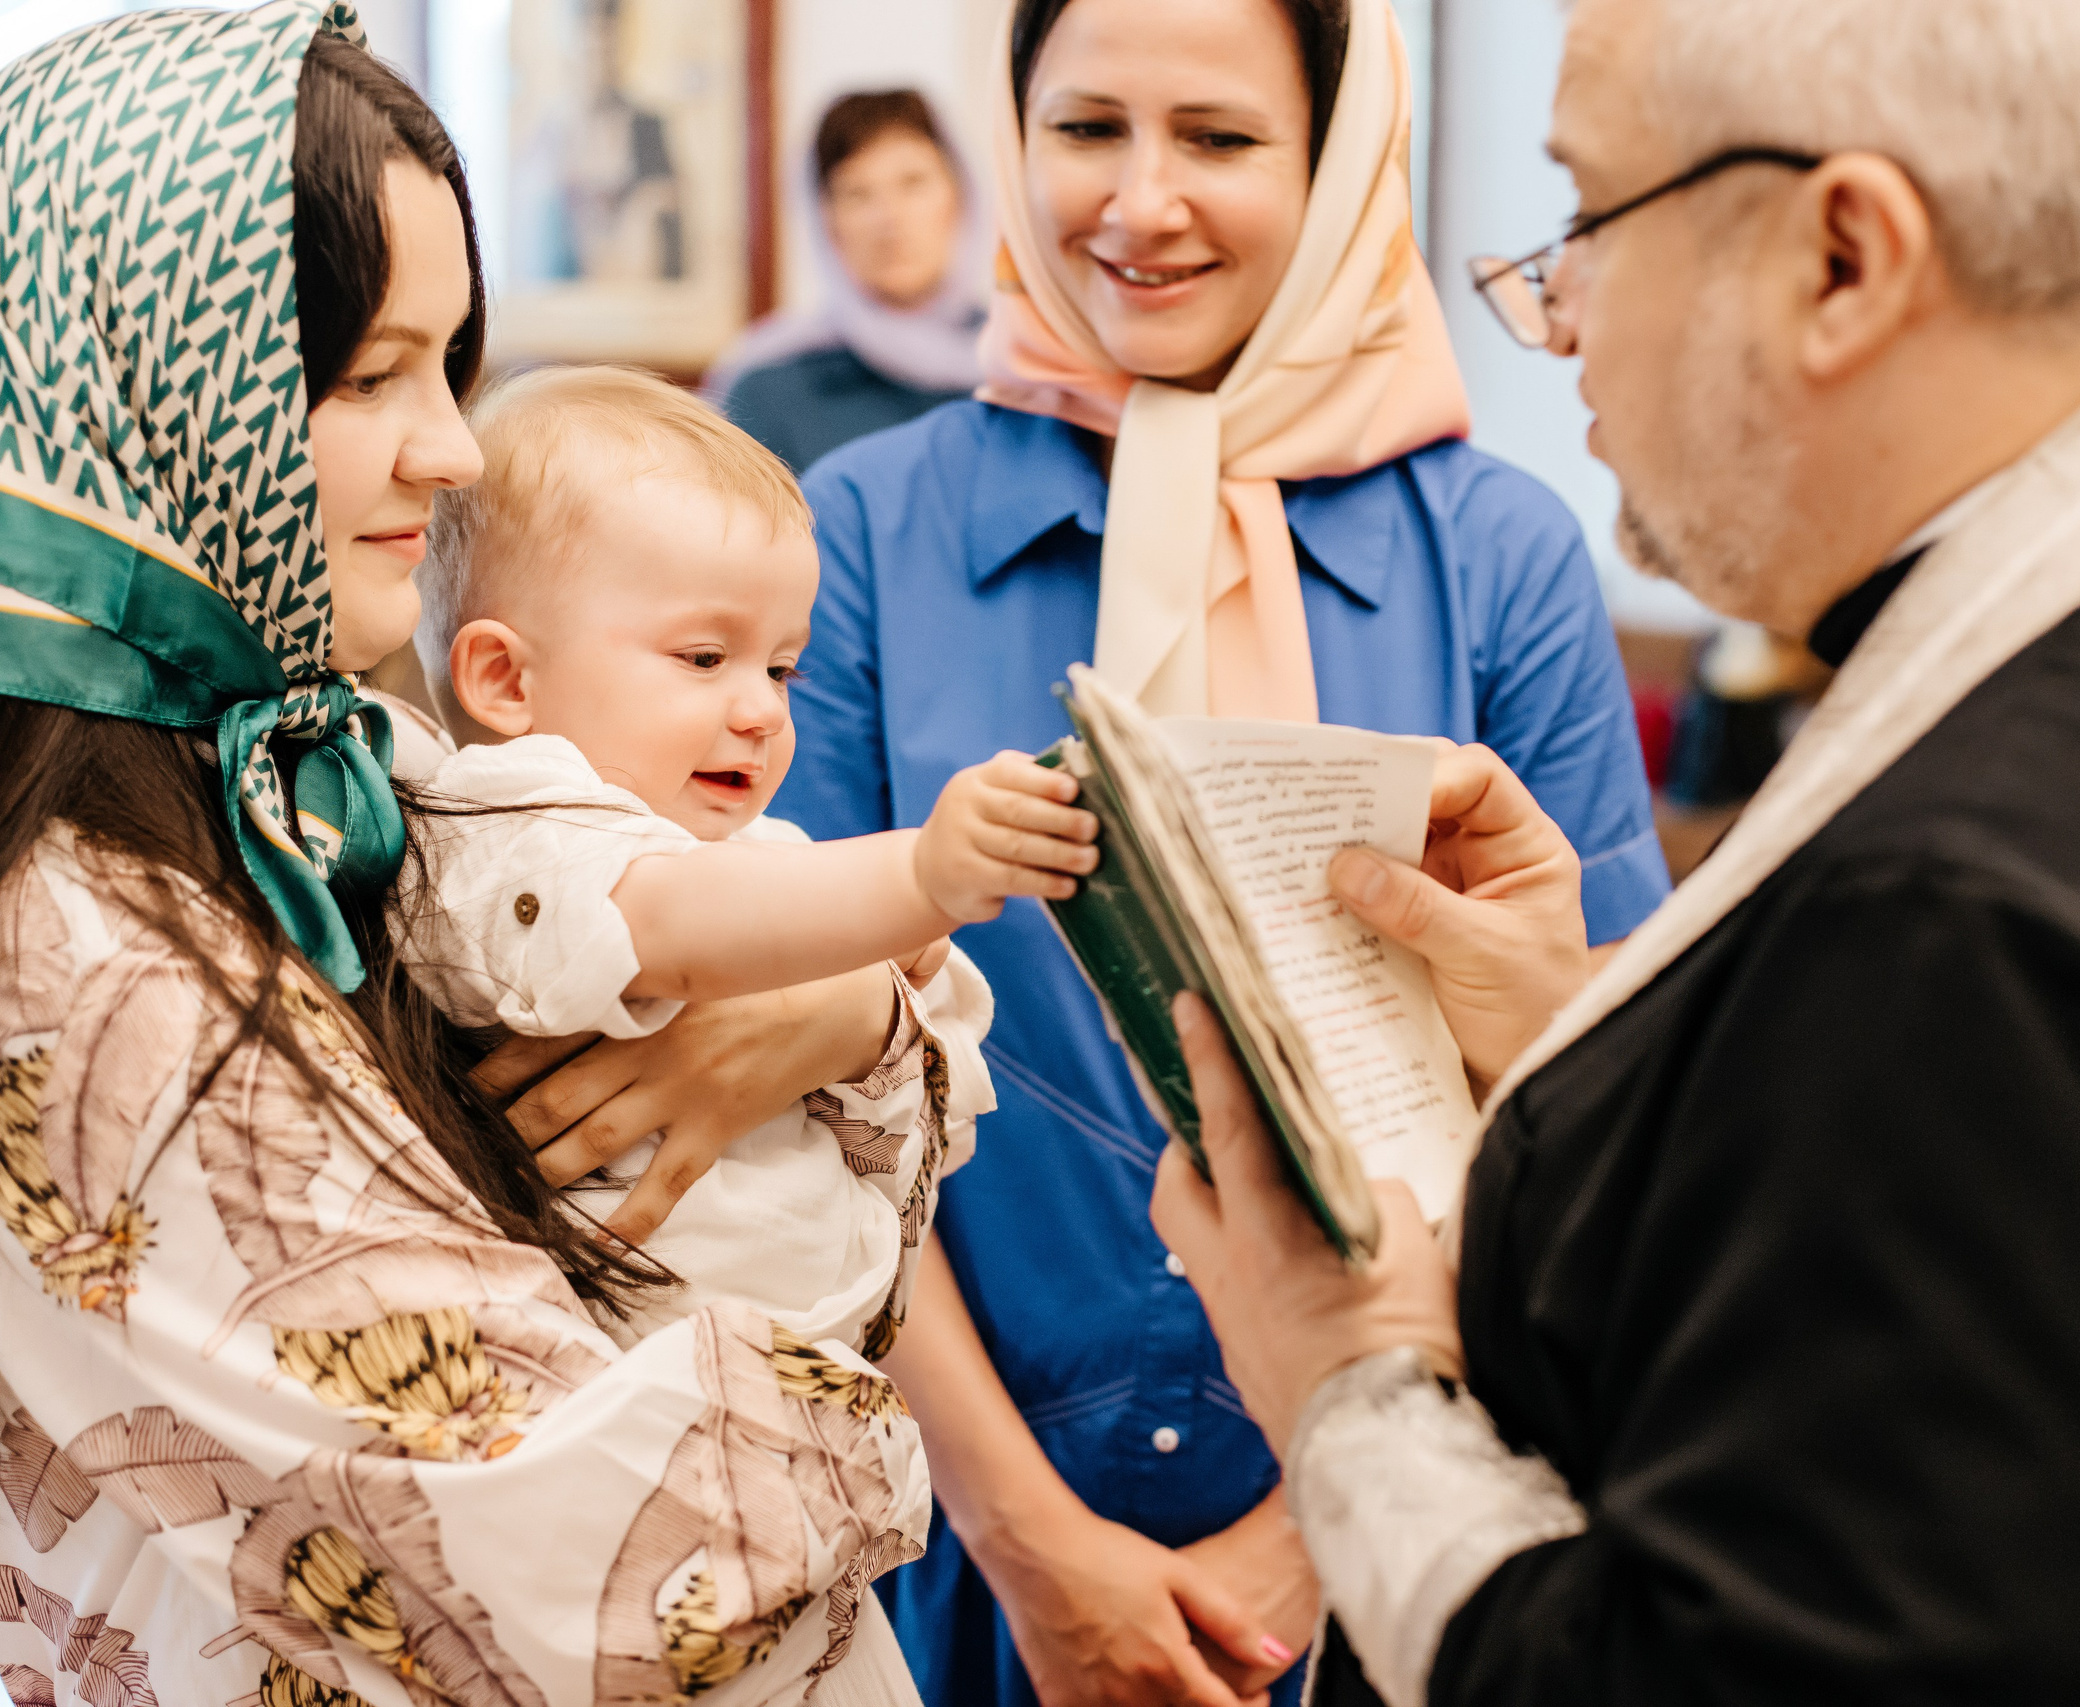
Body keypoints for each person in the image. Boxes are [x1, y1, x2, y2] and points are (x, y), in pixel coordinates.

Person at [1157, 0, 2080, 1702]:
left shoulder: (1957, 915)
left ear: (1844, 256)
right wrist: (1614, 1032)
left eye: (1587, 219)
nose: (1556, 319)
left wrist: (1348, 1382)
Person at [0, 12, 948, 1704]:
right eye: (363, 378)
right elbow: (598, 1546)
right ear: (152, 393)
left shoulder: (301, 794)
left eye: (448, 367)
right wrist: (887, 1442)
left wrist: (844, 1005)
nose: (453, 447)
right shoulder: (83, 946)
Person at [769, 0, 1669, 1701]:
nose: (1140, 201)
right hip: (952, 1527)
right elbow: (793, 1080)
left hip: (1411, 1530)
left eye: (1223, 138)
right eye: (1087, 126)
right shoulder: (866, 531)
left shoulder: (1499, 556)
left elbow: (1591, 1081)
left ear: (1334, 159)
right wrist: (1030, 1540)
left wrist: (1321, 1531)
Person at [395, 361, 1088, 1355]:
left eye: (781, 665)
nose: (762, 709)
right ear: (505, 679)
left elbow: (947, 1096)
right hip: (632, 1389)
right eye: (703, 659)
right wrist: (920, 881)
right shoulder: (501, 827)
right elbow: (675, 925)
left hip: (814, 1384)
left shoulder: (749, 849)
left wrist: (892, 984)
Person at [715, 91, 986, 472]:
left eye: (913, 183)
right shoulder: (767, 390)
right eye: (858, 194)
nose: (889, 219)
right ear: (826, 219)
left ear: (962, 196)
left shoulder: (1031, 369)